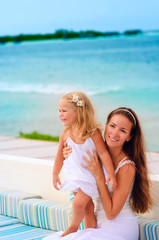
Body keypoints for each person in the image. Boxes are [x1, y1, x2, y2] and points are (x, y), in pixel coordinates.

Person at [44, 107, 152, 240]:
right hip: (97, 227)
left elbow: (111, 214)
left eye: (123, 130)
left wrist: (99, 175)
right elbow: (79, 183)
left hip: (120, 228)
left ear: (129, 137)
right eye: (112, 126)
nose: (115, 133)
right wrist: (68, 155)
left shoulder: (127, 167)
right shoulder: (95, 154)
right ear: (106, 126)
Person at [52, 91, 116, 237]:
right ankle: (91, 233)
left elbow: (104, 153)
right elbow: (59, 156)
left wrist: (111, 172)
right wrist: (55, 173)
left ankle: (73, 227)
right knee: (87, 207)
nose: (60, 114)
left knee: (77, 204)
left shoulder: (92, 133)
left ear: (78, 111)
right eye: (59, 111)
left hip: (90, 176)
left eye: (64, 111)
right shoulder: (65, 133)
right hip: (75, 175)